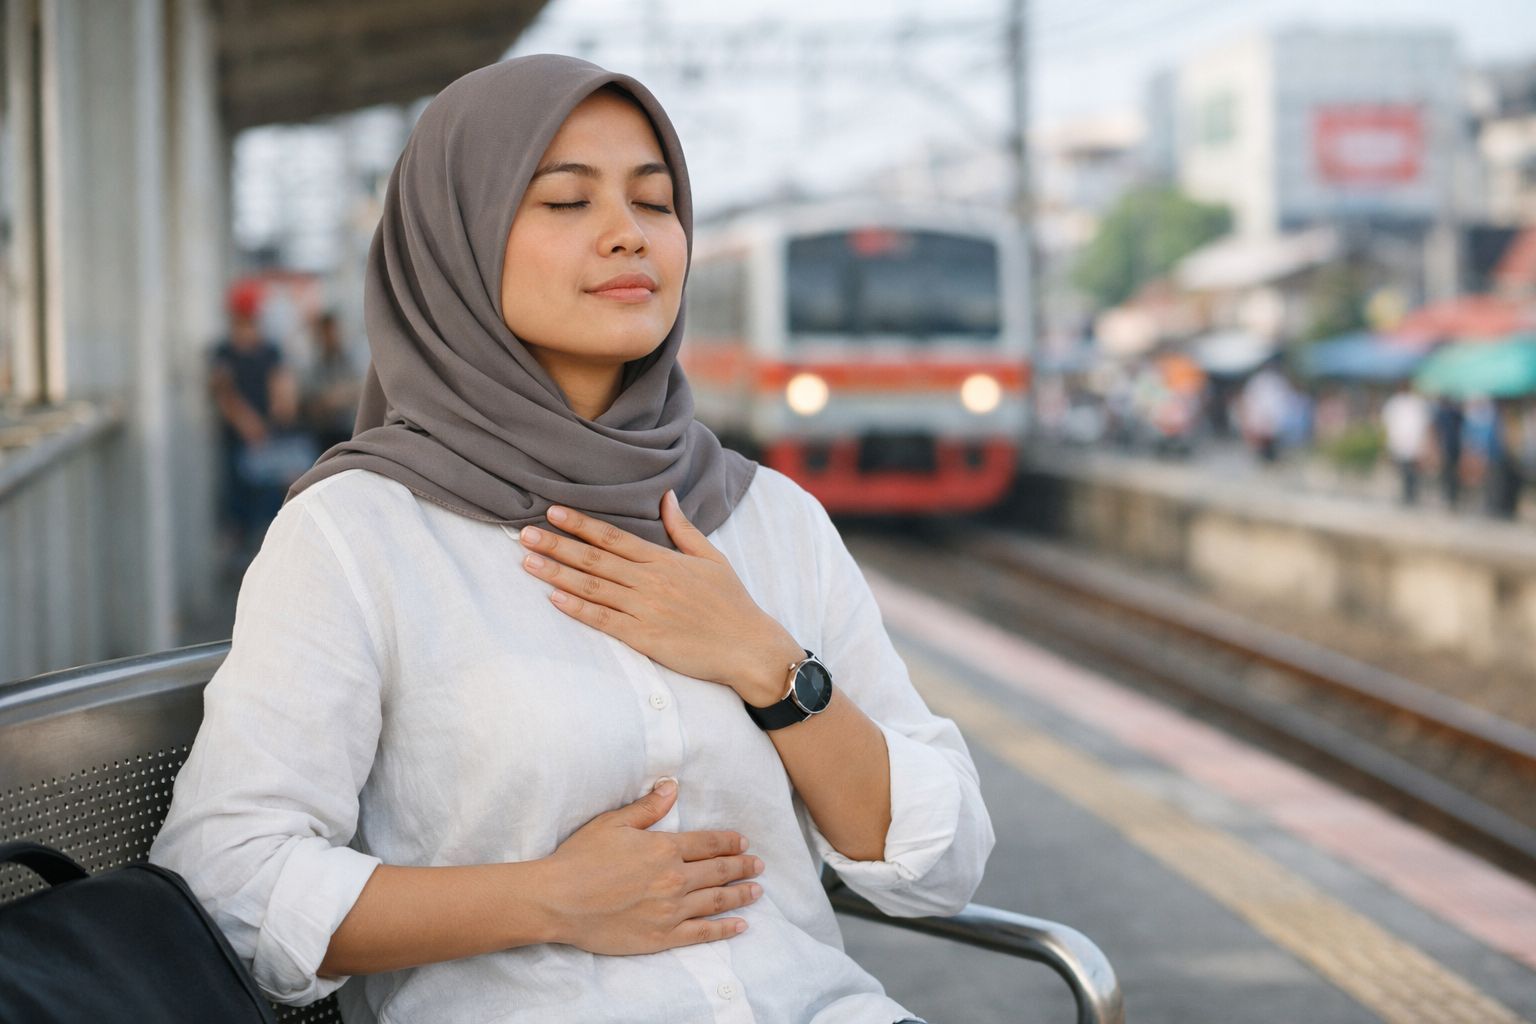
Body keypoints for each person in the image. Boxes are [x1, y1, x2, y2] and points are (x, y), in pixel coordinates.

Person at [150, 55, 991, 1024]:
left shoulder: (772, 518)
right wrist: (548, 896)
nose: (629, 234)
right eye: (563, 201)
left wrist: (768, 663)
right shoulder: (358, 531)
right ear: (455, 242)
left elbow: (943, 861)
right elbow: (227, 877)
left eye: (656, 200)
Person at [209, 283, 299, 562]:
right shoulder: (224, 352)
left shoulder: (269, 350)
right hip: (238, 441)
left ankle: (264, 552)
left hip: (268, 438)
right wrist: (246, 423)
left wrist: (281, 408)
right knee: (239, 501)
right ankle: (242, 552)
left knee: (268, 500)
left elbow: (283, 389)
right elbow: (222, 393)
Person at [300, 310, 363, 453]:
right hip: (323, 431)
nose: (330, 337)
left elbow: (359, 391)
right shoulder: (312, 365)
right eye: (326, 333)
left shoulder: (350, 361)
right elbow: (313, 404)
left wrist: (338, 397)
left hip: (349, 428)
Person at [1380, 384, 1429, 505]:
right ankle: (1408, 496)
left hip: (1408, 443)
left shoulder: (1412, 404)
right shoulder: (1406, 403)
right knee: (1406, 471)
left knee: (1409, 471)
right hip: (1405, 442)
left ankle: (1409, 496)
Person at [1431, 396, 1465, 508]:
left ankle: (1450, 496)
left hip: (1449, 448)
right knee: (1450, 474)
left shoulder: (1445, 414)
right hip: (1453, 447)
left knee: (1449, 474)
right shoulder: (1455, 414)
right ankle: (1451, 496)